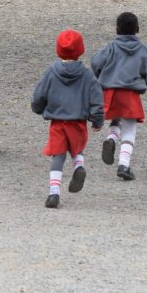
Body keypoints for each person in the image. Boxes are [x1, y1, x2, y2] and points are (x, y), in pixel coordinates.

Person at [32, 29, 103, 208]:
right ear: (80, 49)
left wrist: (38, 108)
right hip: (78, 121)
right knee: (76, 148)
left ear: (58, 50)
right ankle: (79, 166)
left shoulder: (51, 72)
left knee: (58, 156)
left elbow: (40, 94)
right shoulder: (87, 75)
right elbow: (96, 98)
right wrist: (97, 120)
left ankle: (54, 193)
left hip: (57, 122)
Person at [91, 12, 147, 181]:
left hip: (110, 91)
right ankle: (124, 165)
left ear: (116, 29)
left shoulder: (110, 48)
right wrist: (142, 82)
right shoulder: (143, 51)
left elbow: (96, 62)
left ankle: (111, 138)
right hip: (130, 94)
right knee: (129, 129)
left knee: (116, 119)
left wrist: (103, 77)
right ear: (138, 29)